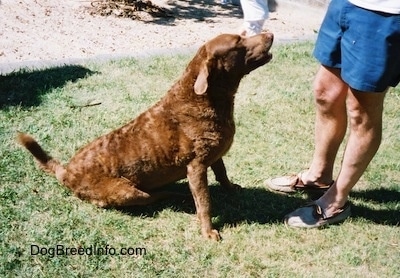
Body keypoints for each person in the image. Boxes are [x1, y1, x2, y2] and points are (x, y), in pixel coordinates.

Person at [265, 0, 400, 228]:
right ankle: (318, 177)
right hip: (348, 4)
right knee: (325, 92)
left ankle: (336, 201)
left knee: (362, 110)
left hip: (385, 12)